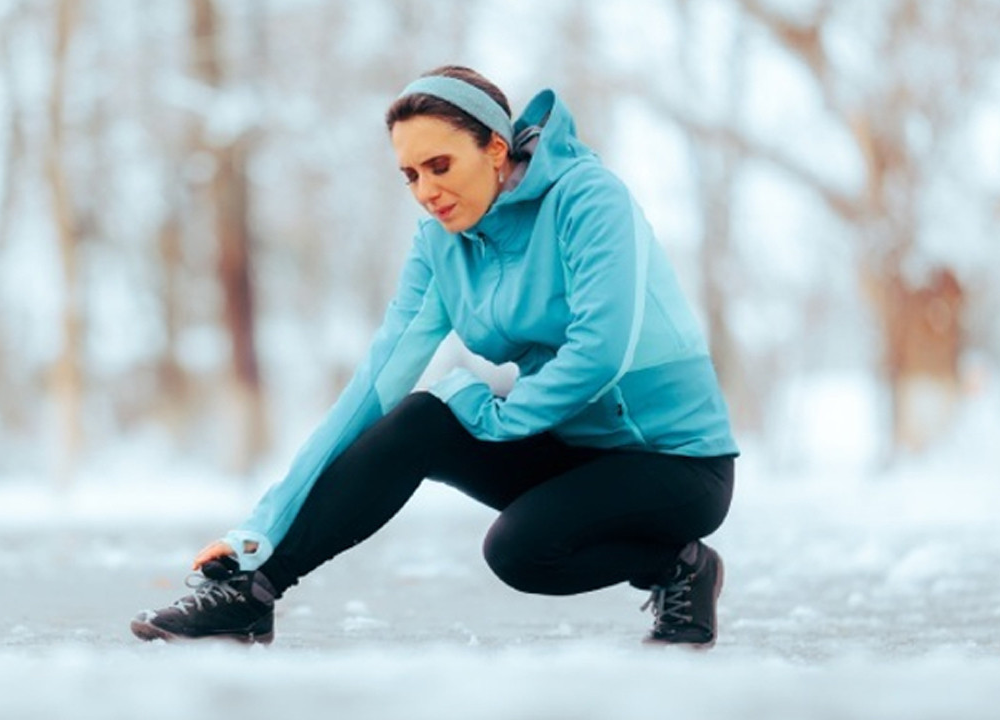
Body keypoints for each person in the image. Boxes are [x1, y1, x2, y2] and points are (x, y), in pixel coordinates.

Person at [131, 66, 738, 648]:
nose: (426, 192)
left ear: (495, 148)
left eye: (440, 166)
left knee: (520, 551)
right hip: (572, 451)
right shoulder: (440, 245)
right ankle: (253, 592)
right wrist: (259, 531)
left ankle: (681, 564)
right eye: (411, 175)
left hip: (677, 463)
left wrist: (499, 417)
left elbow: (601, 351)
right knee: (423, 417)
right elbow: (375, 385)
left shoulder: (588, 198)